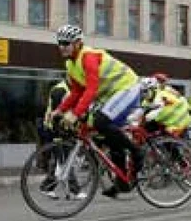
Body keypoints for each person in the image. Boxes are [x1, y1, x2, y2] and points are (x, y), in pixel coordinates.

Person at [48, 24, 144, 199]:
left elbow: (91, 90)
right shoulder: (70, 63)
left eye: (66, 43)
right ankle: (122, 180)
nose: (62, 47)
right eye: (59, 43)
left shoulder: (89, 56)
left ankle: (137, 152)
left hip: (126, 87)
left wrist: (74, 113)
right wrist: (59, 110)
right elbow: (77, 92)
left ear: (77, 43)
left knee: (101, 121)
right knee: (104, 130)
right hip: (110, 95)